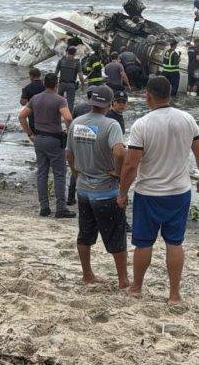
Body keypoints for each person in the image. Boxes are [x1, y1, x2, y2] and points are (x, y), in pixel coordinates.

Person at [118, 76, 199, 304]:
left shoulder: (142, 124)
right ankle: (174, 294)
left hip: (148, 192)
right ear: (170, 94)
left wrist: (122, 192)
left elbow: (131, 164)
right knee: (175, 243)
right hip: (179, 192)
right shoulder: (187, 119)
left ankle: (137, 287)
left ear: (148, 96)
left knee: (143, 243)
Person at [66, 85, 129, 288]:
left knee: (85, 233)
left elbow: (69, 153)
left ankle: (87, 274)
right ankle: (123, 279)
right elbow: (119, 153)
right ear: (110, 104)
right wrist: (118, 173)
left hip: (83, 188)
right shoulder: (111, 125)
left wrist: (76, 174)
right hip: (106, 190)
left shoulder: (76, 123)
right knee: (115, 237)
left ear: (91, 102)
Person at [19, 73, 76, 218]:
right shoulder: (60, 99)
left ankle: (44, 207)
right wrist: (69, 134)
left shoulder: (35, 98)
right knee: (59, 174)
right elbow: (68, 117)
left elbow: (21, 116)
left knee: (42, 173)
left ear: (44, 84)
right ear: (56, 85)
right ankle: (61, 208)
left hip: (38, 138)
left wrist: (29, 134)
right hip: (54, 140)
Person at [20, 68, 46, 134]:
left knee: (35, 134)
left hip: (33, 115)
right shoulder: (46, 86)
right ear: (39, 75)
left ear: (31, 76)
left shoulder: (27, 88)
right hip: (45, 113)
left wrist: (23, 94)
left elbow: (23, 103)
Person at [57, 46, 83, 111]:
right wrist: (82, 84)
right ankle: (69, 118)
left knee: (59, 102)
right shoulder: (77, 62)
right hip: (71, 85)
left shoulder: (61, 60)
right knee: (70, 103)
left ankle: (57, 116)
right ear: (75, 53)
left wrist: (55, 84)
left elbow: (55, 73)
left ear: (67, 52)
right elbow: (80, 75)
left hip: (61, 84)